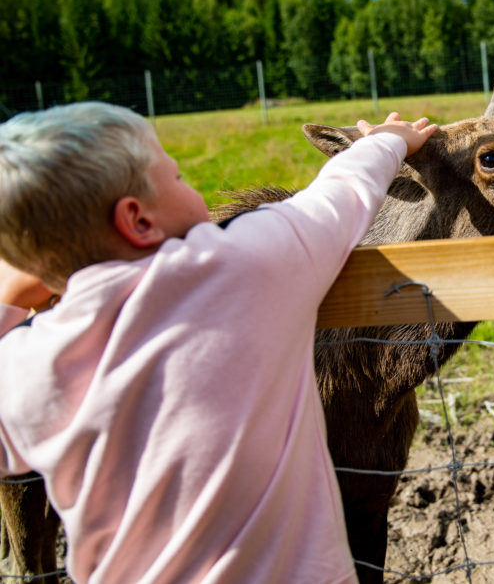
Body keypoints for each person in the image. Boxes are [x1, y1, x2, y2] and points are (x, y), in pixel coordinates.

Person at [0, 101, 437, 583]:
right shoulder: (242, 265)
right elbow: (342, 192)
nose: (193, 188)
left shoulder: (30, 363)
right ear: (137, 220)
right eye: (180, 177)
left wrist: (12, 293)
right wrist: (386, 141)